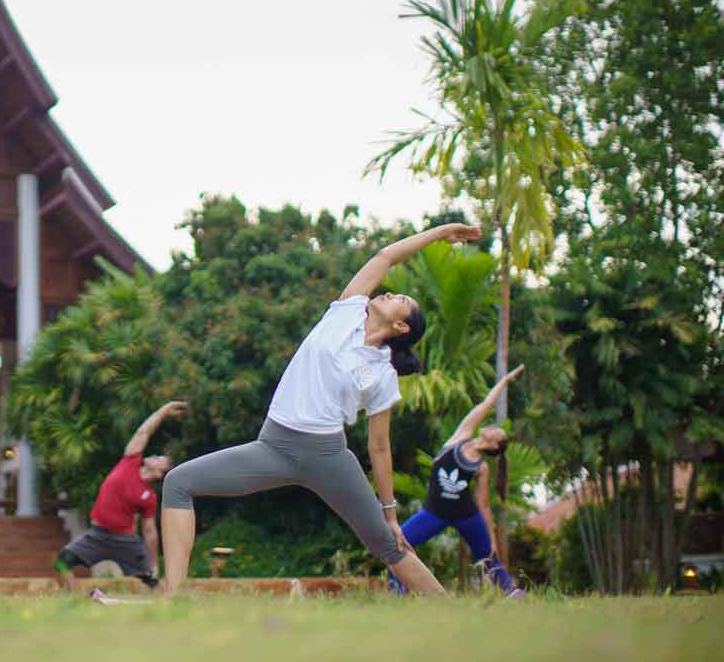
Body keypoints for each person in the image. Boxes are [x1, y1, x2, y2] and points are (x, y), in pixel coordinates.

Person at [160, 222, 485, 595]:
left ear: (400, 326)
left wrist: (391, 514)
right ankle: (172, 600)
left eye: (401, 301)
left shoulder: (383, 375)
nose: (391, 292)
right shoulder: (346, 312)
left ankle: (452, 611)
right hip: (273, 447)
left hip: (327, 456)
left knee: (387, 544)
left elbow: (379, 447)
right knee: (178, 483)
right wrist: (439, 233)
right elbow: (387, 256)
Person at [389, 365, 525, 596]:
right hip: (434, 512)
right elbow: (484, 406)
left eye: (498, 433)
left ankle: (511, 593)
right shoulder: (460, 437)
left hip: (466, 515)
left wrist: (491, 537)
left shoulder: (481, 468)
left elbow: (483, 505)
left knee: (487, 555)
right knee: (397, 543)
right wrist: (505, 381)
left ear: (494, 445)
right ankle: (397, 593)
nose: (494, 428)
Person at [55, 401, 188, 591]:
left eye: (160, 459)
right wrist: (163, 410)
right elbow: (144, 433)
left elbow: (150, 532)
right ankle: (75, 599)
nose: (155, 456)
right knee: (62, 562)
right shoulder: (130, 461)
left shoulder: (149, 497)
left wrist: (153, 564)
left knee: (151, 582)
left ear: (160, 474)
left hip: (125, 541)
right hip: (97, 535)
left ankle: (167, 606)